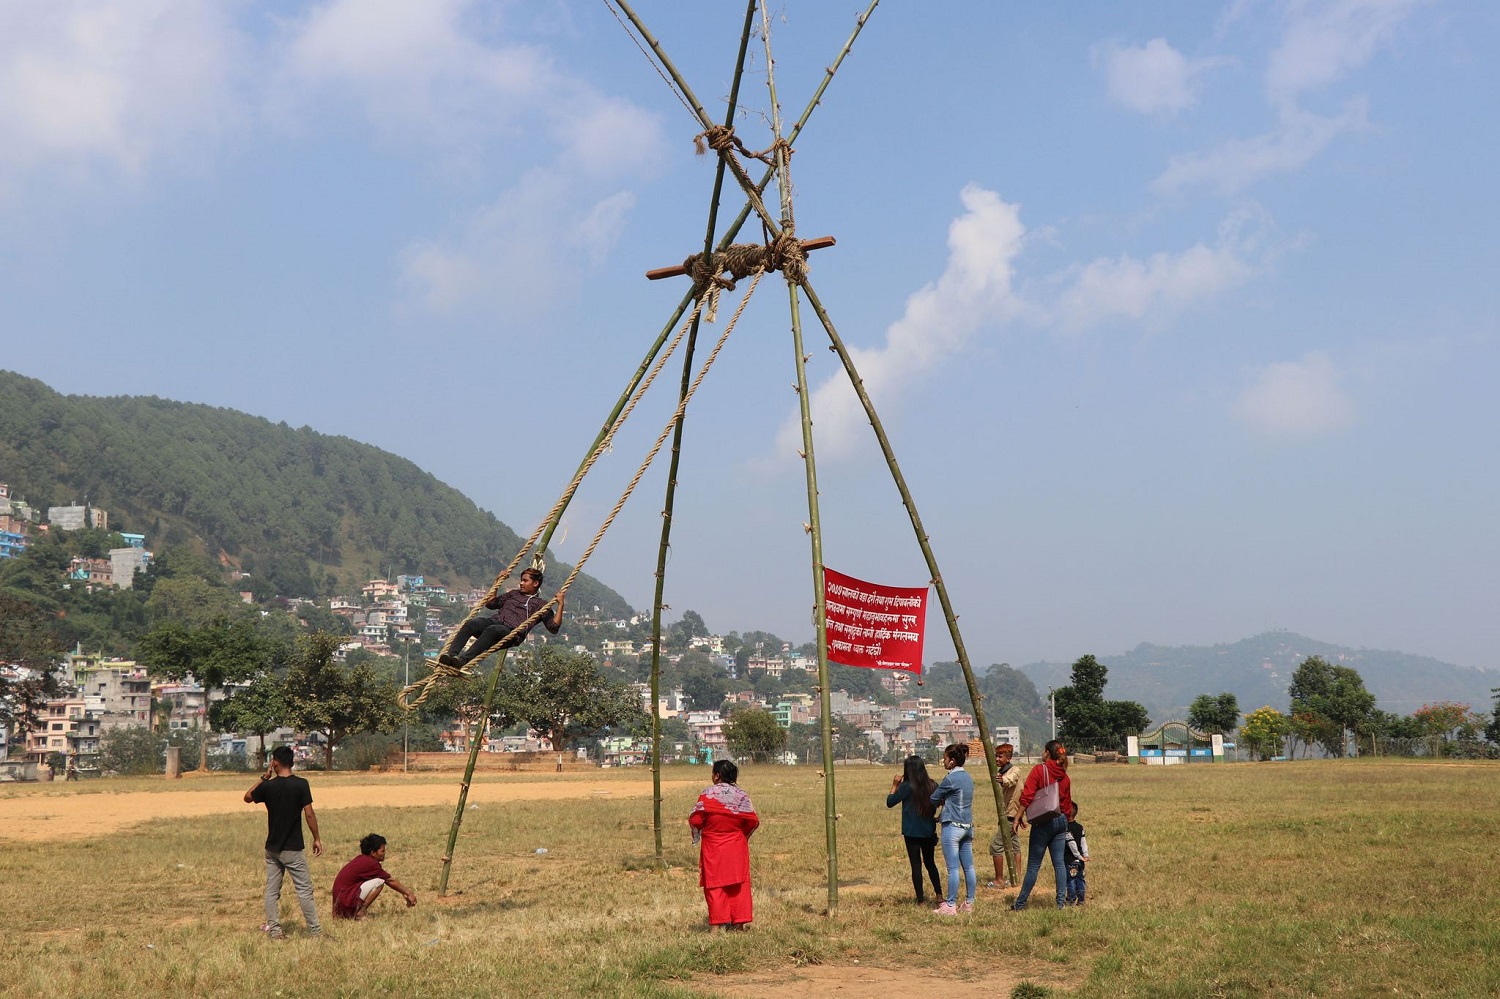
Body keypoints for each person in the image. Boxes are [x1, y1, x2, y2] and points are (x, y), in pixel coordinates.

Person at [245, 745, 322, 939]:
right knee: (304, 891)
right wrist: (317, 838)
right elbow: (309, 814)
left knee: (272, 891)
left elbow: (247, 797)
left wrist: (265, 777)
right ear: (292, 762)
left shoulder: (268, 786)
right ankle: (315, 932)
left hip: (272, 848)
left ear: (275, 762)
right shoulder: (301, 784)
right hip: (293, 847)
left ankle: (276, 931)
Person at [439, 567, 565, 668]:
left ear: (535, 583)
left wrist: (560, 604)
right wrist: (497, 582)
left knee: (493, 630)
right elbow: (491, 604)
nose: (521, 583)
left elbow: (553, 628)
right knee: (471, 623)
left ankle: (462, 660)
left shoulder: (541, 605)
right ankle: (451, 655)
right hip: (495, 621)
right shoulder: (513, 594)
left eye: (525, 581)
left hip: (511, 633)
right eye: (521, 580)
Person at [689, 759, 759, 932]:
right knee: (739, 884)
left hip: (713, 848)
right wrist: (739, 834)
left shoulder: (707, 795)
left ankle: (716, 927)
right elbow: (752, 821)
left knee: (715, 885)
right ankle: (739, 925)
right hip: (736, 846)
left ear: (717, 776)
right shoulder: (741, 795)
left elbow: (696, 819)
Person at [1009, 739, 1073, 911]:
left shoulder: (1040, 770)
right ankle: (1060, 903)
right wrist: (1066, 822)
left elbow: (1027, 795)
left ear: (1046, 752)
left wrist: (1018, 816)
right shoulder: (1064, 775)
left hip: (1043, 821)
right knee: (1059, 863)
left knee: (1033, 866)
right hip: (1061, 820)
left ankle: (1020, 904)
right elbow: (1067, 804)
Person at [886, 755, 943, 904]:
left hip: (911, 831)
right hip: (928, 830)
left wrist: (894, 785)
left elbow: (890, 802)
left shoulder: (906, 786)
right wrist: (939, 817)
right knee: (930, 863)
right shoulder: (932, 785)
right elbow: (943, 802)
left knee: (916, 865)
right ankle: (939, 895)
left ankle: (920, 899)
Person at [929, 742, 977, 916]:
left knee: (953, 868)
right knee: (969, 867)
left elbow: (934, 799)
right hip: (967, 826)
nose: (944, 761)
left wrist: (941, 802)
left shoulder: (950, 778)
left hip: (953, 827)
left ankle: (950, 905)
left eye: (945, 758)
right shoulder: (968, 778)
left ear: (952, 761)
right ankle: (969, 903)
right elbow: (958, 802)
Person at [331, 833, 418, 920]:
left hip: (340, 902)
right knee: (379, 882)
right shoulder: (371, 864)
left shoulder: (362, 859)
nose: (384, 853)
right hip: (345, 900)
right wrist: (408, 893)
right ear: (373, 853)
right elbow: (390, 881)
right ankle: (360, 912)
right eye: (382, 851)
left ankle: (350, 912)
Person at [986, 742, 1021, 889]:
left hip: (1010, 815)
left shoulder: (1014, 770)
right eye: (996, 756)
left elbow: (1010, 780)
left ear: (1008, 757)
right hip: (1011, 816)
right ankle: (1018, 879)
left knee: (996, 846)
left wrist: (1002, 780)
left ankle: (999, 880)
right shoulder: (1004, 771)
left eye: (1000, 756)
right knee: (1014, 846)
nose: (997, 759)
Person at [1063, 803, 1089, 906]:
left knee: (1071, 881)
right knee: (1080, 880)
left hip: (1070, 859)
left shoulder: (1066, 828)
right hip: (1081, 860)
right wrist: (1085, 855)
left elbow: (1071, 843)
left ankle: (1071, 900)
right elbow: (1083, 841)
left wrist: (1077, 855)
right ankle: (1081, 899)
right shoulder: (1080, 827)